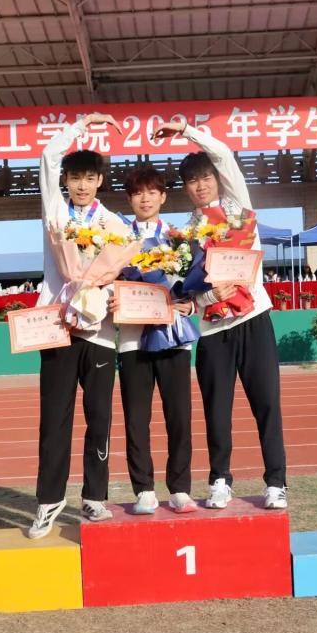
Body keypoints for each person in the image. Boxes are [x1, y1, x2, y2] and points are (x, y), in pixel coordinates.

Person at [152, 119, 288, 510]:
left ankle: (276, 483)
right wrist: (204, 297)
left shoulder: (239, 209)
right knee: (216, 411)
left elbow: (225, 154)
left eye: (206, 178)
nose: (200, 186)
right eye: (192, 181)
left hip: (254, 319)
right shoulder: (185, 236)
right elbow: (188, 291)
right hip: (213, 330)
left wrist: (186, 131)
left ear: (217, 179)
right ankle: (219, 481)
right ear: (186, 188)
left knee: (267, 404)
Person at [29, 112, 124, 540]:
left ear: (100, 180)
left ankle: (94, 496)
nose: (82, 185)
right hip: (57, 326)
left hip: (99, 331)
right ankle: (48, 501)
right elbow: (48, 156)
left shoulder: (114, 224)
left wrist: (111, 291)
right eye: (75, 177)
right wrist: (83, 124)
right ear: (65, 180)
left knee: (99, 417)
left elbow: (123, 269)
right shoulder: (54, 210)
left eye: (89, 178)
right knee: (54, 419)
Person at [113, 166, 197, 515]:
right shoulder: (118, 239)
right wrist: (112, 299)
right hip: (133, 340)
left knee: (179, 416)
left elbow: (194, 285)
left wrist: (190, 304)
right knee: (136, 419)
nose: (145, 199)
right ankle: (144, 490)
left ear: (163, 196)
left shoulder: (180, 238)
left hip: (173, 335)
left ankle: (180, 489)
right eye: (137, 193)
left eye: (151, 192)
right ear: (129, 199)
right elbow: (107, 279)